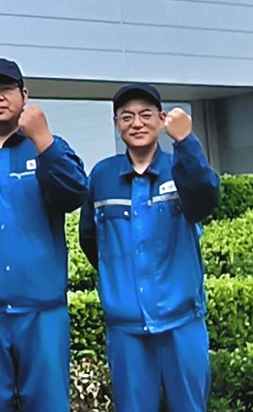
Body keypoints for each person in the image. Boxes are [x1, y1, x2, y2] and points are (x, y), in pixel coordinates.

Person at [0, 58, 89, 412]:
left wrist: (43, 141)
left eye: (6, 89)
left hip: (42, 313)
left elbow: (74, 194)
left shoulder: (48, 147)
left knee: (50, 405)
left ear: (24, 95)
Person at [79, 83, 221, 412]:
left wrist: (186, 141)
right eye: (127, 116)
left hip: (181, 321)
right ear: (117, 124)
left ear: (160, 120)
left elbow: (205, 197)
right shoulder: (103, 175)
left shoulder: (180, 168)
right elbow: (91, 240)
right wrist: (118, 285)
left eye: (145, 115)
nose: (137, 123)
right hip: (126, 327)